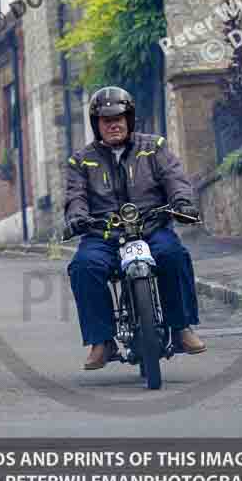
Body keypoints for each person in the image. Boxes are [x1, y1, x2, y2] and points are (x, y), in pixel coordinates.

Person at [65, 86, 206, 370]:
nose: (114, 124)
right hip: (104, 235)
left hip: (151, 228)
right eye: (106, 120)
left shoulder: (154, 147)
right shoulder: (81, 160)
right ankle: (101, 341)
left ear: (130, 118)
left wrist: (182, 203)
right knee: (83, 266)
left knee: (173, 255)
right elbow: (75, 196)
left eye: (119, 117)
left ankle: (181, 328)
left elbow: (174, 179)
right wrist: (76, 217)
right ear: (96, 124)